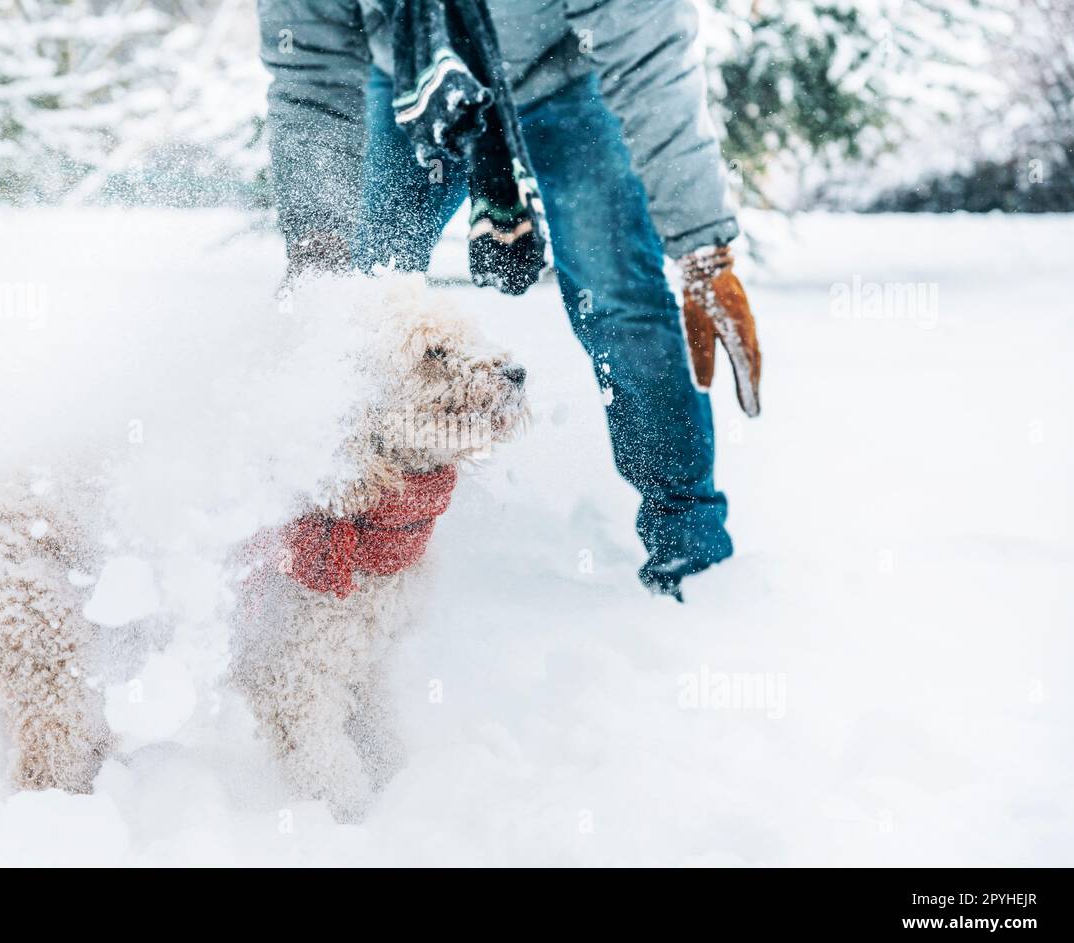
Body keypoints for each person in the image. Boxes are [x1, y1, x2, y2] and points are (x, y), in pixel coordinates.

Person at [257, 0, 762, 598]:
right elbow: (311, 70)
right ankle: (345, 538)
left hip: (562, 81)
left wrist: (702, 244)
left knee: (621, 304)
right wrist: (319, 251)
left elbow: (650, 56)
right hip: (413, 83)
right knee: (359, 302)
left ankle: (691, 554)